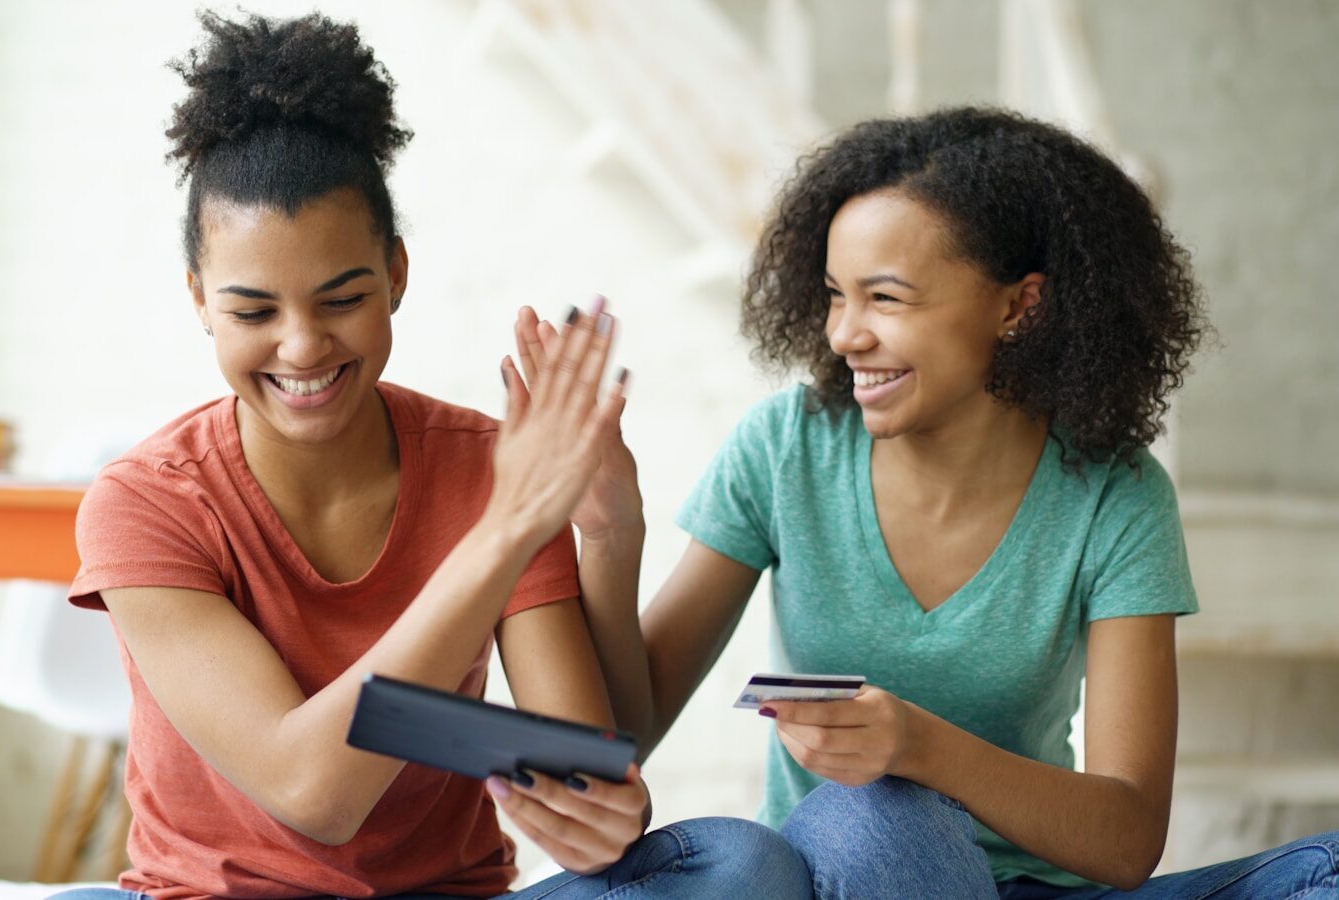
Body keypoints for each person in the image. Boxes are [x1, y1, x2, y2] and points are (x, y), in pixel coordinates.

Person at [50, 11, 805, 900]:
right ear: (199, 300)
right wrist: (508, 527)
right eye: (254, 312)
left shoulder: (488, 466)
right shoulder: (147, 502)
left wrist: (597, 809)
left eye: (342, 299)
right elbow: (311, 794)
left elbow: (583, 761)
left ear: (396, 274)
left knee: (739, 865)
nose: (301, 348)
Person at [512, 106, 1339, 897]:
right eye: (835, 294)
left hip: (1042, 889)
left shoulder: (1114, 494)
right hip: (853, 871)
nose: (843, 334)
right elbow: (629, 733)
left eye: (885, 298)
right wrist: (611, 537)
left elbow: (1124, 840)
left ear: (1019, 305)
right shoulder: (788, 448)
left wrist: (919, 744)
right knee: (875, 814)